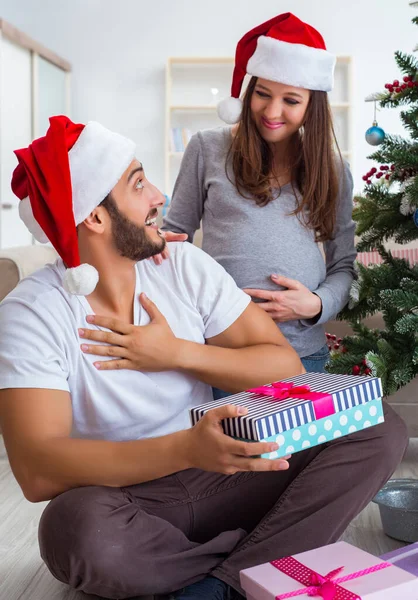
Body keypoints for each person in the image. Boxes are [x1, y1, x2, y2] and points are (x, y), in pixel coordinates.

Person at [0, 116, 407, 600]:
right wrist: (186, 448)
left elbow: (284, 366)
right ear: (95, 216)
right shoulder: (30, 313)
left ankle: (219, 585)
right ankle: (261, 561)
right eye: (138, 184)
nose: (158, 197)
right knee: (72, 530)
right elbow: (39, 470)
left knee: (374, 423)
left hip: (224, 473)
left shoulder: (182, 266)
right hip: (128, 499)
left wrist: (177, 354)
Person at [163, 12, 357, 382]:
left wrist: (316, 304)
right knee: (226, 440)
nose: (272, 112)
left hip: (303, 351)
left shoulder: (332, 169)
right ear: (248, 92)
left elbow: (344, 265)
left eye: (291, 101)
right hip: (220, 350)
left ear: (312, 107)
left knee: (300, 441)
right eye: (263, 94)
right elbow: (176, 238)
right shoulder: (207, 148)